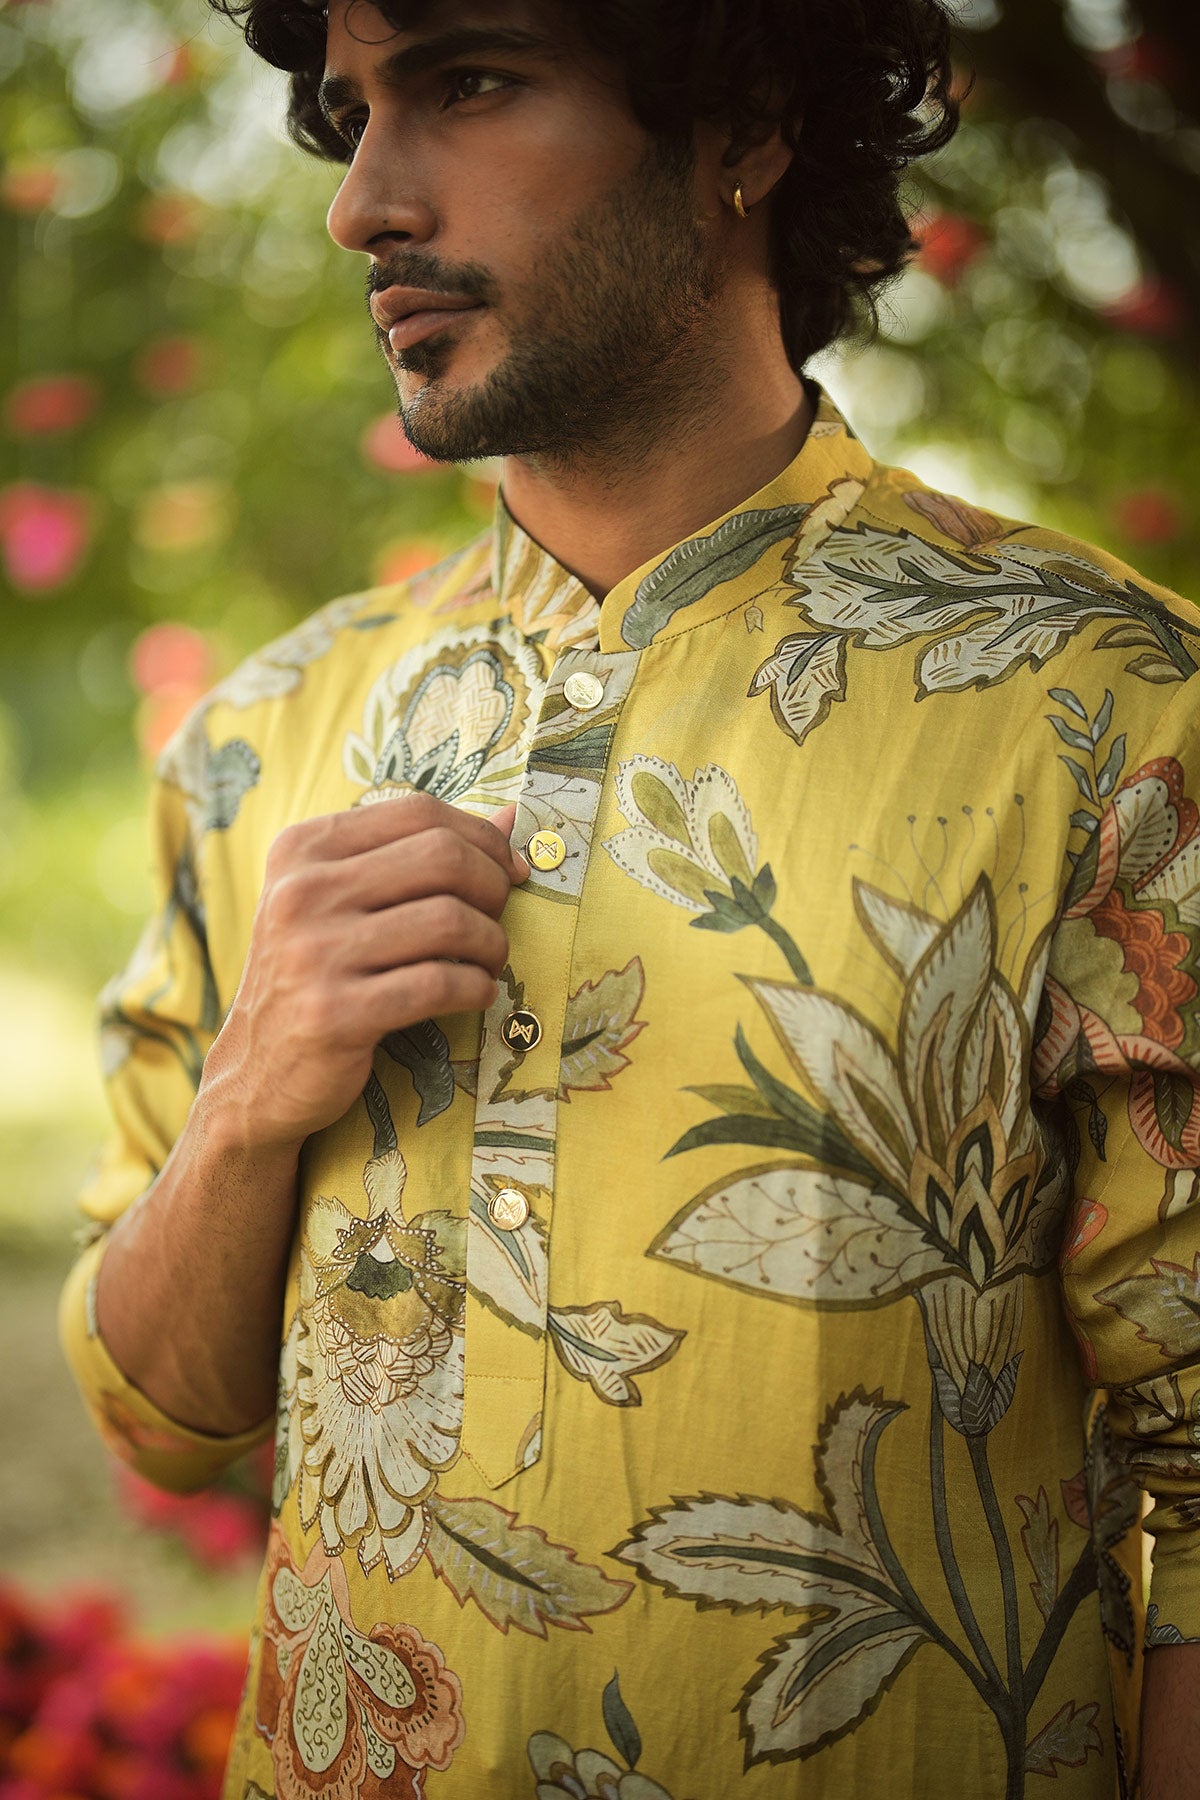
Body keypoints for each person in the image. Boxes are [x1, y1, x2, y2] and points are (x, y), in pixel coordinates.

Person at [59, 0, 1200, 1794]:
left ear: (739, 121)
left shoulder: (1109, 713)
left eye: (467, 82)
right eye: (353, 112)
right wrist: (245, 1107)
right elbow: (160, 1416)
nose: (362, 203)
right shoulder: (260, 738)